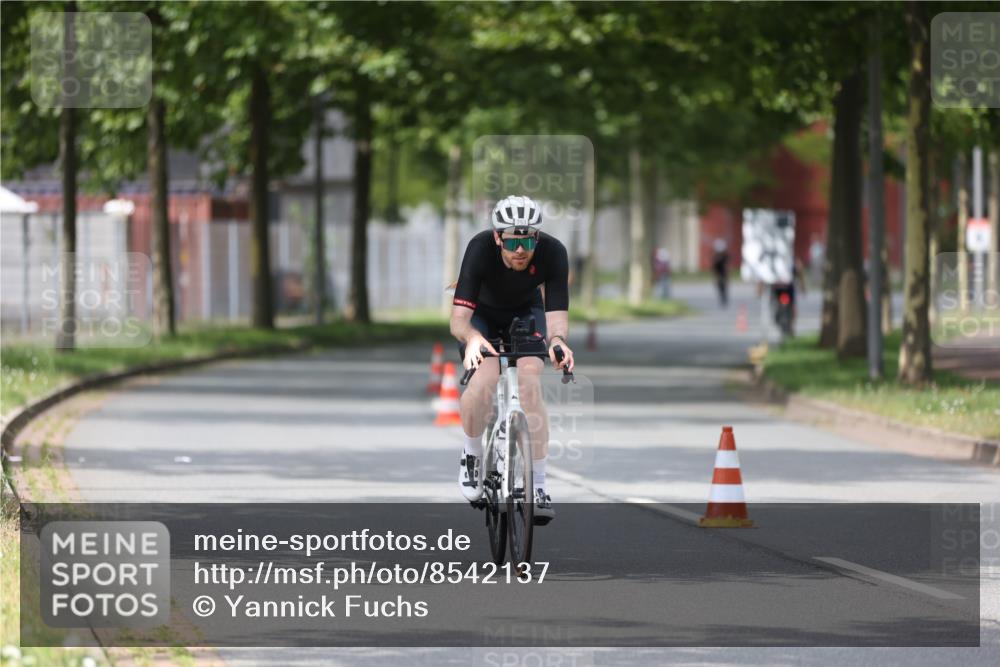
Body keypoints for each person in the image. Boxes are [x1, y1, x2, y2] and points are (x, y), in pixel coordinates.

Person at [450, 195, 575, 524]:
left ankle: (540, 486)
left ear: (537, 236)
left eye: (528, 239)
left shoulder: (553, 252)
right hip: (481, 316)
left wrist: (558, 341)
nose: (521, 249)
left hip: (525, 313)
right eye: (513, 240)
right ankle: (473, 454)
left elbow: (557, 312)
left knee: (530, 380)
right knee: (486, 377)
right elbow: (459, 320)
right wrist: (473, 339)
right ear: (497, 237)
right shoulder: (479, 248)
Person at [711, 239, 729, 307]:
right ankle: (722, 299)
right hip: (718, 274)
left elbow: (727, 266)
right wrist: (715, 277)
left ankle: (724, 299)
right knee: (720, 287)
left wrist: (727, 275)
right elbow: (714, 268)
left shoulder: (725, 256)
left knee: (724, 287)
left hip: (723, 274)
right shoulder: (715, 257)